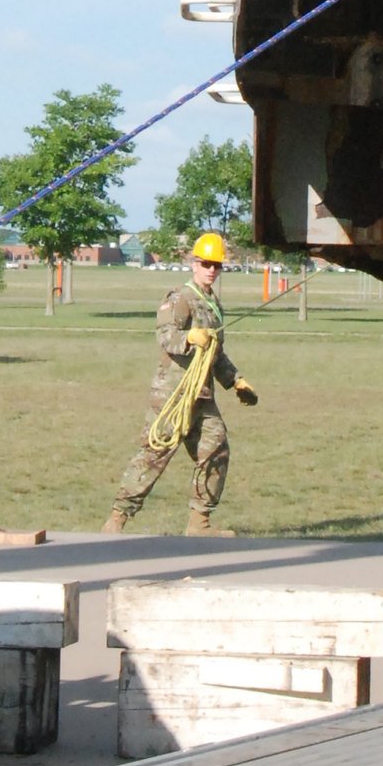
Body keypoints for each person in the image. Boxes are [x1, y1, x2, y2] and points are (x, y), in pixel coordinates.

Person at [102, 230, 257, 536]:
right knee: (153, 455)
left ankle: (200, 523)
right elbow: (165, 337)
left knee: (216, 451)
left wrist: (236, 381)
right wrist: (189, 337)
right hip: (173, 395)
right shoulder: (180, 298)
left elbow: (216, 354)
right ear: (194, 263)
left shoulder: (213, 304)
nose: (211, 269)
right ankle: (117, 519)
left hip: (202, 395)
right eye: (206, 263)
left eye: (217, 265)